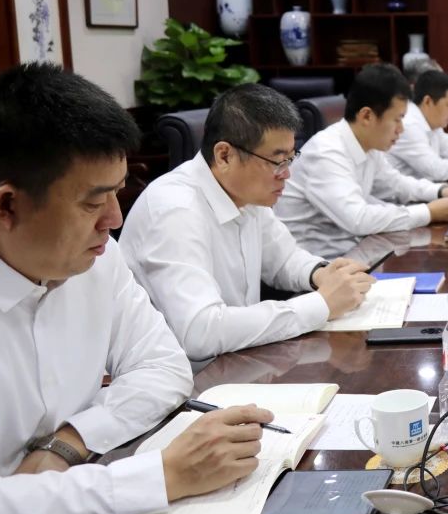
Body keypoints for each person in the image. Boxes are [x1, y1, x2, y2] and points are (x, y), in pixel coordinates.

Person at [0, 64, 274, 514]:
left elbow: (164, 366)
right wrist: (161, 476)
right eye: (93, 203)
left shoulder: (97, 258)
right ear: (7, 206)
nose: (114, 219)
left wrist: (67, 443)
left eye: (117, 192)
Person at [121, 84, 375, 362]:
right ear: (225, 155)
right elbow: (200, 332)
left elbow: (284, 259)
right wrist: (321, 304)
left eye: (291, 158)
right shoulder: (174, 210)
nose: (287, 174)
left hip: (241, 359)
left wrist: (320, 273)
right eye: (277, 161)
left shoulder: (246, 192)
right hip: (191, 376)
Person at [275, 63, 448, 258]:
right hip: (317, 264)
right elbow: (358, 219)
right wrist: (428, 212)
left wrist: (440, 191)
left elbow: (396, 184)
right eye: (397, 119)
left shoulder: (368, 145)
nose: (401, 129)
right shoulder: (326, 153)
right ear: (367, 116)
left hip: (355, 252)